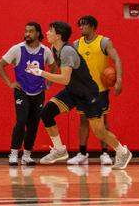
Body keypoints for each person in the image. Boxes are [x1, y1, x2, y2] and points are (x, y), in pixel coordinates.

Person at [29, 20, 132, 169]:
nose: (47, 33)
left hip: (88, 94)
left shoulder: (68, 51)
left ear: (58, 35)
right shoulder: (54, 48)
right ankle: (59, 149)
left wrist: (40, 73)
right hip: (72, 91)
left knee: (99, 131)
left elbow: (65, 78)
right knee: (46, 113)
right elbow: (63, 73)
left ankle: (122, 151)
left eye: (50, 31)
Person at [0, 22, 54, 166]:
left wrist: (49, 82)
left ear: (38, 33)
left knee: (33, 124)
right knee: (21, 122)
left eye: (31, 31)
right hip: (22, 91)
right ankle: (14, 153)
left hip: (39, 91)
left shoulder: (45, 51)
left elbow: (53, 66)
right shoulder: (17, 49)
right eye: (26, 31)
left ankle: (27, 155)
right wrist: (10, 83)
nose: (27, 34)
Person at [70, 15, 122, 166]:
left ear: (92, 26)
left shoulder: (104, 42)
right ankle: (82, 153)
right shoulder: (76, 44)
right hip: (82, 90)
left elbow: (117, 59)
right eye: (79, 25)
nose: (81, 28)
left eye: (84, 25)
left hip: (100, 89)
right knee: (83, 121)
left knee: (102, 121)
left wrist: (118, 79)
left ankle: (105, 153)